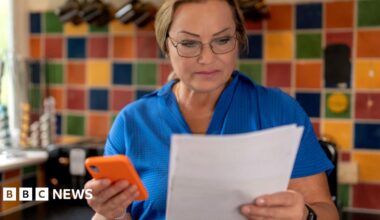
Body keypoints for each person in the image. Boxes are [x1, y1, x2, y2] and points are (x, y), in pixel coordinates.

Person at [85, 0, 339, 219]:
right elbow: (112, 216)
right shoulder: (132, 123)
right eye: (188, 43)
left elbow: (326, 212)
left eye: (222, 39)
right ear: (165, 46)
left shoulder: (279, 112)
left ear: (238, 40)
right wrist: (110, 213)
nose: (206, 58)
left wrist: (306, 215)